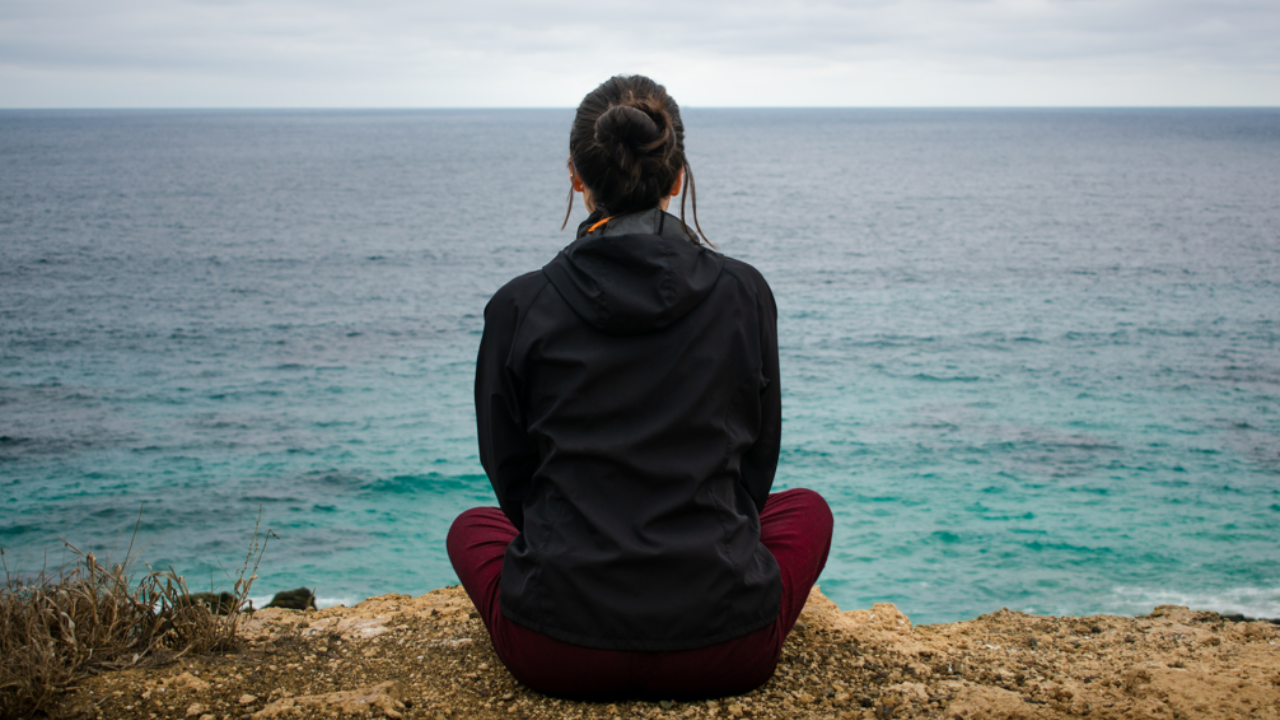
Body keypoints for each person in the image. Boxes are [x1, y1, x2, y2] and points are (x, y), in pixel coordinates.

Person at [447, 75, 832, 700]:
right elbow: (758, 463)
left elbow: (509, 470)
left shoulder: (519, 306)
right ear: (676, 176)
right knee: (808, 510)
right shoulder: (745, 292)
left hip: (557, 650)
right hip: (724, 646)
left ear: (577, 173)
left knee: (472, 525)